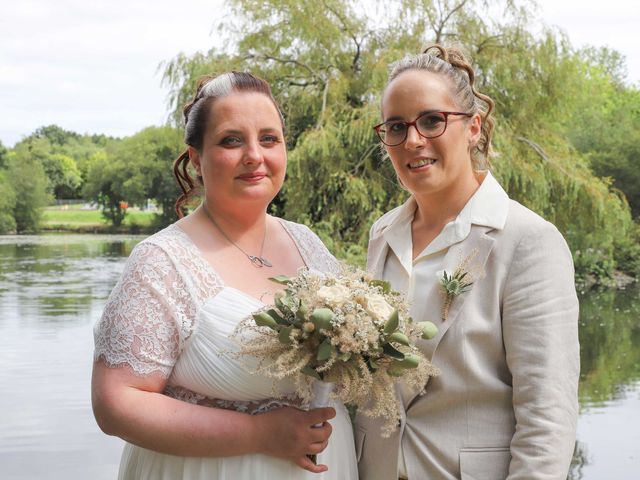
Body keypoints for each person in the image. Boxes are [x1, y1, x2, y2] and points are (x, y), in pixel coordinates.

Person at [91, 71, 358, 480]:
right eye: (232, 140)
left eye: (269, 139)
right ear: (196, 159)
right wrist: (258, 434)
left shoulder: (308, 243)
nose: (254, 155)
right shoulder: (162, 261)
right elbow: (115, 404)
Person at [356, 45, 580, 480]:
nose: (413, 140)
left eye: (432, 120)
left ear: (473, 127)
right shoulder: (382, 234)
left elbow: (547, 417)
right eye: (396, 127)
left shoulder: (528, 241)